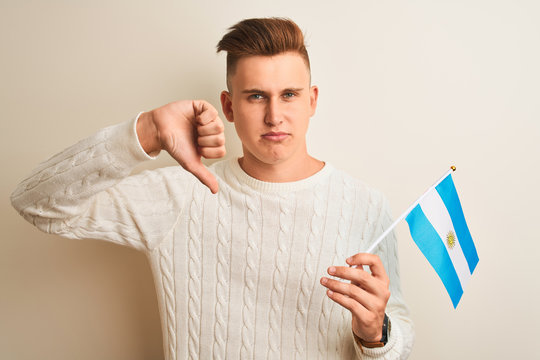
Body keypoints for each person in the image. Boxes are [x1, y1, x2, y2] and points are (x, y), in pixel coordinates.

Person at [11, 18, 414, 359]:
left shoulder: (366, 205)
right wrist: (146, 131)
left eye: (288, 95)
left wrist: (376, 335)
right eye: (256, 96)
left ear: (311, 100)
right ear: (228, 106)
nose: (275, 116)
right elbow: (35, 203)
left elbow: (401, 337)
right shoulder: (180, 195)